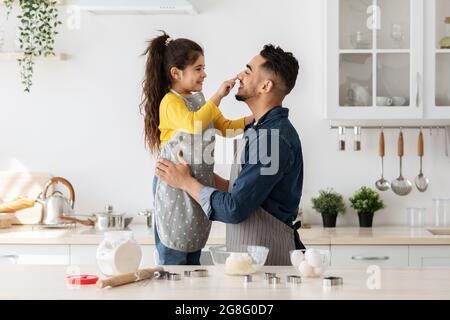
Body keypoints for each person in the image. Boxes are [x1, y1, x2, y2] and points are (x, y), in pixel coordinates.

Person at [155, 44, 304, 265]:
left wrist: (187, 183)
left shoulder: (272, 139)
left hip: (267, 266)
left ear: (266, 85)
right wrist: (197, 176)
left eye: (248, 70)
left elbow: (234, 208)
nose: (240, 75)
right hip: (254, 262)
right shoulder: (260, 131)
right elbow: (245, 191)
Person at [140, 31, 253, 265]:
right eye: (198, 68)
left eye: (204, 67)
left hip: (194, 187)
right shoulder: (170, 102)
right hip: (174, 189)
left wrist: (255, 118)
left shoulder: (199, 100)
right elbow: (194, 124)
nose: (204, 74)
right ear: (176, 73)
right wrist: (218, 96)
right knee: (175, 259)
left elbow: (225, 127)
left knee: (192, 255)